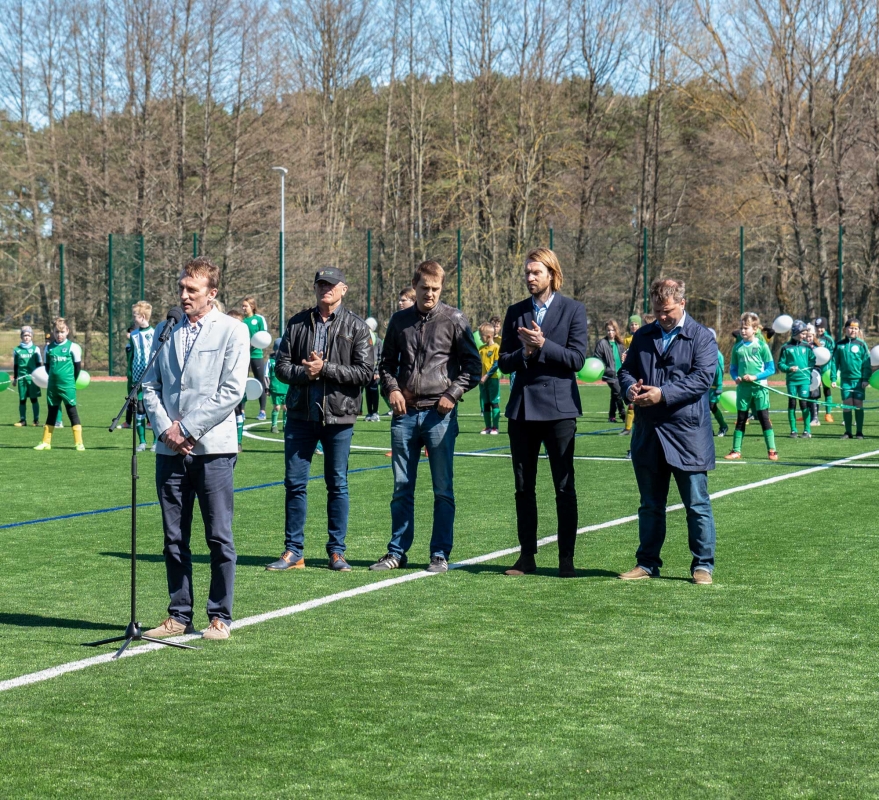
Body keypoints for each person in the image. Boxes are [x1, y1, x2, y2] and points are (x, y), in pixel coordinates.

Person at [142, 257, 249, 641]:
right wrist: (166, 429)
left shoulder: (233, 331)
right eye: (182, 288)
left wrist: (186, 427)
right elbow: (149, 384)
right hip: (170, 450)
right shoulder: (165, 329)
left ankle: (220, 616)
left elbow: (232, 391)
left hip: (213, 449)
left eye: (192, 290)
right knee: (174, 537)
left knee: (218, 537)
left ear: (212, 293)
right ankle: (178, 614)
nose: (184, 295)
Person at [372, 260, 481, 573]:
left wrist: (452, 394)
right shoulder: (399, 321)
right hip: (404, 414)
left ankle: (439, 553)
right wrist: (391, 389)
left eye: (435, 289)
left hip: (439, 415)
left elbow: (473, 368)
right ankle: (396, 552)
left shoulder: (455, 320)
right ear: (414, 286)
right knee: (401, 487)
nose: (429, 294)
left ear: (441, 288)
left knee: (442, 488)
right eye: (424, 289)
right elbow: (385, 364)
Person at [268, 267, 373, 572]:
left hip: (340, 417)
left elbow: (365, 374)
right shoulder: (298, 323)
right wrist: (307, 372)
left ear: (344, 289)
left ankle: (337, 552)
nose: (324, 289)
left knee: (337, 484)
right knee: (294, 484)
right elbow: (281, 367)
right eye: (320, 284)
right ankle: (293, 551)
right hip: (301, 415)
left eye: (330, 284)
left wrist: (325, 369)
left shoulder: (357, 327)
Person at [618, 278, 718, 584]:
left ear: (682, 304)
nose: (662, 317)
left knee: (696, 504)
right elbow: (625, 370)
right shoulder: (644, 335)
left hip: (687, 435)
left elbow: (703, 379)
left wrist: (663, 393)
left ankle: (703, 565)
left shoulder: (701, 337)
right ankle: (647, 563)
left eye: (668, 311)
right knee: (650, 505)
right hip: (648, 433)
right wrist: (629, 388)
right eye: (657, 311)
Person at [499, 248, 588, 579]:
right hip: (522, 410)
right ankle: (527, 556)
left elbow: (577, 359)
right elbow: (504, 361)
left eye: (536, 272)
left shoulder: (573, 310)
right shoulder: (516, 312)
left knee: (564, 486)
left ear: (552, 274)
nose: (530, 277)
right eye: (527, 272)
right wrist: (523, 352)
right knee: (524, 487)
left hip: (560, 411)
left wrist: (543, 344)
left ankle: (566, 558)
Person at [725, 312, 778, 461]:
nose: (742, 331)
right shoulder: (737, 347)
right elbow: (733, 368)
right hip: (743, 389)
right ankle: (736, 450)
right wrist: (736, 378)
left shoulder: (761, 346)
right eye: (741, 328)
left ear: (755, 329)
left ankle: (772, 450)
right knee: (741, 418)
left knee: (763, 418)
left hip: (759, 388)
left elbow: (771, 369)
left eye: (746, 328)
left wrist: (755, 377)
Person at [34, 318, 85, 451]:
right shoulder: (48, 348)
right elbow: (47, 367)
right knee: (51, 412)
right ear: (53, 332)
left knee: (72, 412)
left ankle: (79, 443)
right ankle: (46, 442)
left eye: (62, 332)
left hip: (68, 386)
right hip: (53, 386)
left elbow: (77, 368)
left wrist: (70, 381)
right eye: (57, 332)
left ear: (67, 331)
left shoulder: (73, 347)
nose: (59, 335)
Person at [127, 302, 158, 452]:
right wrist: (131, 374)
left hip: (152, 375)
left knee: (152, 408)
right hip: (137, 377)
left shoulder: (154, 333)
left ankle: (156, 441)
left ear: (143, 316)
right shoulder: (133, 335)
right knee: (139, 408)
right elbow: (132, 355)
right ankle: (142, 441)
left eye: (135, 316)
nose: (133, 319)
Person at [833, 318, 870, 439]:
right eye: (850, 328)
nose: (853, 330)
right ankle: (848, 432)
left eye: (855, 328)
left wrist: (865, 379)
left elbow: (866, 363)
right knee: (847, 404)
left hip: (859, 380)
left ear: (858, 330)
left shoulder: (861, 344)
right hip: (845, 380)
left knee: (858, 404)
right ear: (845, 329)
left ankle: (859, 432)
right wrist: (833, 378)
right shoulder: (839, 345)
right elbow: (834, 363)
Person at [778, 320, 816, 439]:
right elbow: (780, 364)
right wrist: (789, 368)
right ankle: (793, 430)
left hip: (804, 380)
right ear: (795, 332)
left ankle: (807, 430)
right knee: (792, 403)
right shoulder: (786, 347)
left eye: (805, 333)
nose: (805, 336)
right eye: (802, 333)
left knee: (804, 403)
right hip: (792, 381)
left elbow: (812, 360)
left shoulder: (807, 346)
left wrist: (808, 371)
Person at [241, 296, 269, 420]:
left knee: (260, 381)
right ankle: (241, 410)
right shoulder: (241, 321)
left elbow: (264, 336)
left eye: (245, 306)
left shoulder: (259, 319)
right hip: (243, 356)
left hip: (256, 355)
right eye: (242, 306)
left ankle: (262, 411)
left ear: (252, 306)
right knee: (241, 382)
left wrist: (254, 343)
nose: (243, 308)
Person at [593, 319, 626, 423]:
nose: (610, 332)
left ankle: (611, 416)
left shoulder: (620, 343)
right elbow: (597, 358)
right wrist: (605, 368)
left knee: (614, 395)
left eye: (612, 330)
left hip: (620, 373)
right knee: (618, 393)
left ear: (616, 331)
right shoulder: (602, 343)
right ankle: (623, 414)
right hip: (609, 374)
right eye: (608, 330)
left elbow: (624, 357)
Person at [13, 325, 42, 427]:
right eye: (24, 335)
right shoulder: (17, 350)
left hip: (33, 378)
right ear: (21, 336)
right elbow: (16, 365)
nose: (26, 337)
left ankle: (36, 421)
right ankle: (22, 420)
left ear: (32, 337)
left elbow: (39, 365)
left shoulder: (36, 349)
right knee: (22, 399)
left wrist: (40, 378)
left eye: (28, 335)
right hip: (22, 379)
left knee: (34, 399)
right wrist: (15, 378)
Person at [227, 309, 247, 451]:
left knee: (239, 411)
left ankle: (238, 441)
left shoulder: (243, 341)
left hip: (239, 384)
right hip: (223, 384)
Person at [477, 321, 501, 434]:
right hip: (482, 380)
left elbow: (496, 364)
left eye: (481, 336)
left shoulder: (496, 347)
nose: (480, 338)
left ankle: (495, 427)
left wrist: (486, 375)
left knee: (494, 402)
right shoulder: (481, 349)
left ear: (489, 336)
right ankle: (487, 427)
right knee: (485, 403)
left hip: (493, 379)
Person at [706, 328, 728, 437]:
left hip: (714, 387)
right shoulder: (702, 352)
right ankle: (709, 430)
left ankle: (723, 426)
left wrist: (719, 387)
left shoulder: (717, 355)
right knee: (705, 409)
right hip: (704, 387)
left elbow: (719, 371)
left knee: (712, 407)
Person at [814, 317, 835, 422]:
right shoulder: (812, 338)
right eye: (818, 327)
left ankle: (828, 414)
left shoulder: (828, 339)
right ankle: (813, 414)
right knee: (813, 391)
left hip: (826, 369)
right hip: (815, 368)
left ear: (825, 328)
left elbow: (832, 352)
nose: (819, 330)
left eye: (822, 328)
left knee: (827, 390)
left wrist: (826, 357)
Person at [364, 317, 383, 421]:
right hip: (366, 371)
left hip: (375, 372)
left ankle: (375, 413)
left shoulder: (378, 341)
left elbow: (380, 357)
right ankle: (369, 412)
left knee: (374, 391)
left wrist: (377, 371)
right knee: (367, 392)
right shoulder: (364, 339)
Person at [266, 338, 287, 433]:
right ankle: (274, 426)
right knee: (277, 407)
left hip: (286, 388)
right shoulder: (270, 362)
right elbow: (266, 375)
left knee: (286, 407)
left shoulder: (287, 360)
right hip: (275, 388)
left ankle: (285, 425)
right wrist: (267, 388)